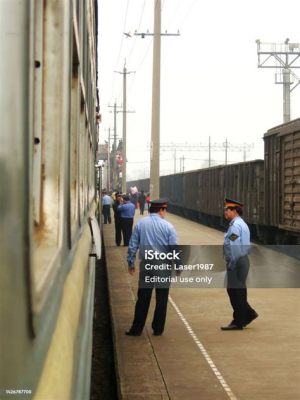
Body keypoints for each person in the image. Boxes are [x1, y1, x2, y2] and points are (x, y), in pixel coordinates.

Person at [125, 198, 178, 336]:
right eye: (164, 210)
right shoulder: (168, 226)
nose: (165, 213)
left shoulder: (141, 224)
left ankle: (137, 329)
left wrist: (131, 262)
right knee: (162, 298)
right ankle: (158, 329)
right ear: (161, 210)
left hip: (147, 265)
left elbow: (133, 245)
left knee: (143, 297)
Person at [221, 198, 258, 331]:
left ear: (234, 211)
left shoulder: (235, 226)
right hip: (243, 261)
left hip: (237, 261)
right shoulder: (240, 224)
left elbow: (234, 245)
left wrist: (232, 262)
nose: (225, 212)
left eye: (227, 210)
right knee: (238, 291)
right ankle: (248, 314)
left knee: (235, 292)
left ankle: (238, 321)